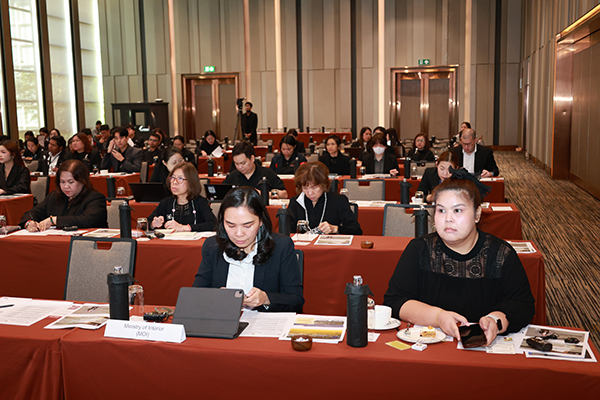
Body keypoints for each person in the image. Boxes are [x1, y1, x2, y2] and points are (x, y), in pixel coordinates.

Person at [383, 177, 535, 345]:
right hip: (429, 347)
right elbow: (395, 301)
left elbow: (523, 305)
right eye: (441, 210)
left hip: (484, 349)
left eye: (457, 210)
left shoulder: (500, 254)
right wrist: (438, 317)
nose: (448, 218)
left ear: (477, 214)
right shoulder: (420, 249)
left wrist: (495, 321)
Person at [192, 186, 304, 312]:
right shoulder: (212, 247)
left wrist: (266, 299)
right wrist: (216, 297)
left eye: (247, 226)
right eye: (230, 225)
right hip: (223, 320)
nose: (239, 234)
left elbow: (296, 300)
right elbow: (196, 295)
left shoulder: (281, 247)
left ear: (261, 220)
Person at [19, 159, 107, 230]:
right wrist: (29, 223)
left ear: (82, 181)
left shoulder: (95, 198)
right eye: (62, 182)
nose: (66, 186)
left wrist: (54, 220)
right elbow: (32, 213)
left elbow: (87, 220)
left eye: (71, 182)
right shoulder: (54, 196)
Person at [288, 162, 362, 235]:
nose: (310, 193)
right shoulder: (295, 202)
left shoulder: (338, 201)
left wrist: (335, 229)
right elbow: (287, 231)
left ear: (323, 184)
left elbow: (356, 230)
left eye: (314, 187)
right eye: (305, 188)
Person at [148, 162, 216, 232]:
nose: (174, 182)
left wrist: (184, 228)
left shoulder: (200, 202)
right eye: (173, 177)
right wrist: (153, 224)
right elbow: (146, 223)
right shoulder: (166, 203)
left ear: (191, 181)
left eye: (180, 178)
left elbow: (213, 224)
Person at [223, 142, 287, 198]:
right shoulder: (232, 176)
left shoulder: (267, 173)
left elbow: (284, 194)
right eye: (236, 164)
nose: (239, 167)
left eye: (243, 163)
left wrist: (263, 194)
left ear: (252, 158)